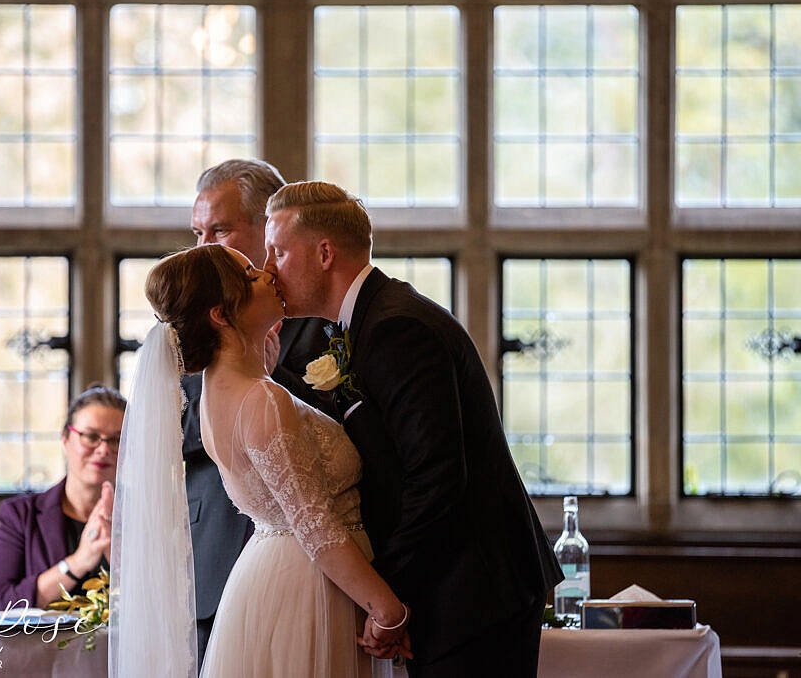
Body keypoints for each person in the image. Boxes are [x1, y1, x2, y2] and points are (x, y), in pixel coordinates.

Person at [263, 181, 564, 677]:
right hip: (453, 585)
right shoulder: (366, 322)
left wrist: (385, 597)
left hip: (474, 590)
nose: (269, 269)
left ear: (323, 253)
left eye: (277, 252)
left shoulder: (396, 328)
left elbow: (437, 478)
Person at [108, 244, 411, 678]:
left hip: (279, 575)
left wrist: (263, 367)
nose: (269, 274)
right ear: (220, 313)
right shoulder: (261, 400)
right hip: (308, 587)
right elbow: (314, 525)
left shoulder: (225, 389)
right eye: (251, 276)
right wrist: (387, 609)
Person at [183, 158, 334, 667]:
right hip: (214, 554)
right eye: (197, 231)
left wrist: (268, 382)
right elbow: (176, 431)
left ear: (267, 228)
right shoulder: (191, 323)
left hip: (313, 563)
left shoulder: (321, 318)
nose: (204, 246)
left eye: (220, 230)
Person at [0, 385, 125, 611]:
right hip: (40, 646)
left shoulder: (141, 518)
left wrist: (122, 565)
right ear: (66, 439)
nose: (103, 449)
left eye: (116, 440)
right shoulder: (20, 514)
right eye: (91, 436)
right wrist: (77, 563)